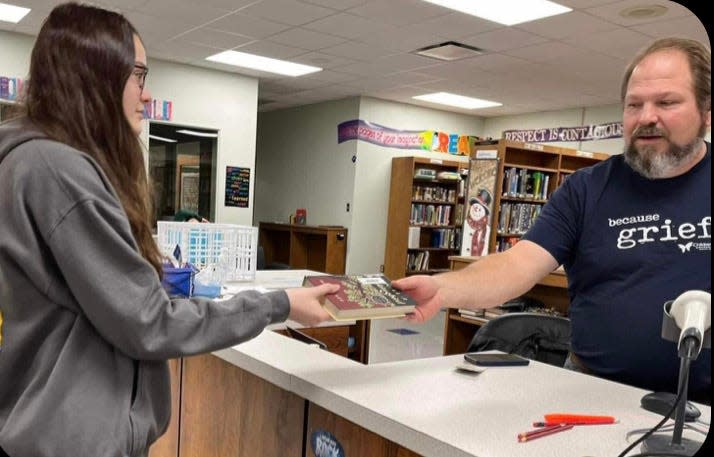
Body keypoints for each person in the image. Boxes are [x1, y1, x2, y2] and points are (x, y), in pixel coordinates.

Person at [0, 3, 338, 457]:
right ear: (95, 73)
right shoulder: (59, 171)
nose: (145, 94)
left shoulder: (31, 162)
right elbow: (149, 323)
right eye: (138, 75)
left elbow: (109, 301)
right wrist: (279, 305)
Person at [394, 37, 711, 403]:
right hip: (591, 392)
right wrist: (444, 289)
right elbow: (517, 264)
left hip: (701, 404)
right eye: (633, 105)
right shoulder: (587, 189)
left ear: (706, 111)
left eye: (667, 102)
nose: (646, 117)